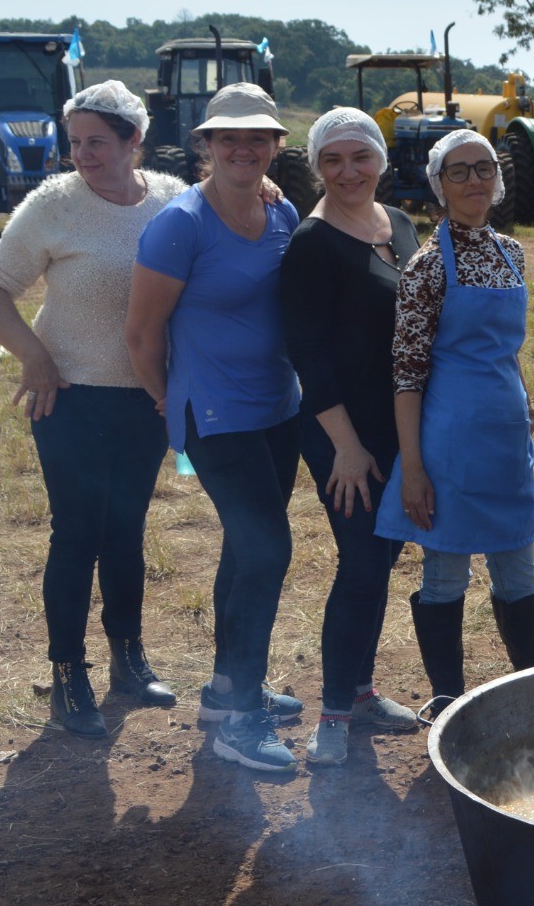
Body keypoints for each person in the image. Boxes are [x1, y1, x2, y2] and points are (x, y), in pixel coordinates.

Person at [0, 80, 183, 737]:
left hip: (148, 398)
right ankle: (68, 672)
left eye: (97, 141)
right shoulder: (53, 205)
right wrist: (34, 358)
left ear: (133, 141)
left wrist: (263, 192)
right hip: (66, 398)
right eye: (76, 143)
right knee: (78, 533)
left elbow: (226, 217)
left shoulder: (174, 200)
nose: (84, 156)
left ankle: (128, 657)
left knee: (126, 530)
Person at [124, 82, 307, 773]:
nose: (242, 147)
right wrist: (173, 405)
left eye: (257, 136)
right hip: (215, 416)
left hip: (277, 408)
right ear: (206, 146)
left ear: (274, 147)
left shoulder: (282, 209)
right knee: (267, 550)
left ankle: (230, 686)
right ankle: (242, 720)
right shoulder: (181, 224)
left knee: (247, 546)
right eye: (227, 137)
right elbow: (141, 333)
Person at [376, 129, 534, 715]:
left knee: (517, 572)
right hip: (447, 442)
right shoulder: (426, 267)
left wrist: (525, 406)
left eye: (484, 168)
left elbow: (509, 350)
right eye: (459, 172)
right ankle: (447, 701)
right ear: (438, 187)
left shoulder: (512, 251)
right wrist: (413, 470)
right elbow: (405, 375)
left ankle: (533, 696)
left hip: (503, 441)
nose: (475, 180)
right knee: (446, 576)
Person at [278, 108, 423, 767]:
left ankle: (361, 694)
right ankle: (334, 712)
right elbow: (307, 355)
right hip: (345, 434)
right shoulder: (311, 243)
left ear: (381, 160)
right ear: (316, 167)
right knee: (361, 564)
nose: (347, 171)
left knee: (382, 561)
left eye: (359, 156)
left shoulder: (402, 225)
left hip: (400, 428)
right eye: (331, 160)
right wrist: (346, 444)